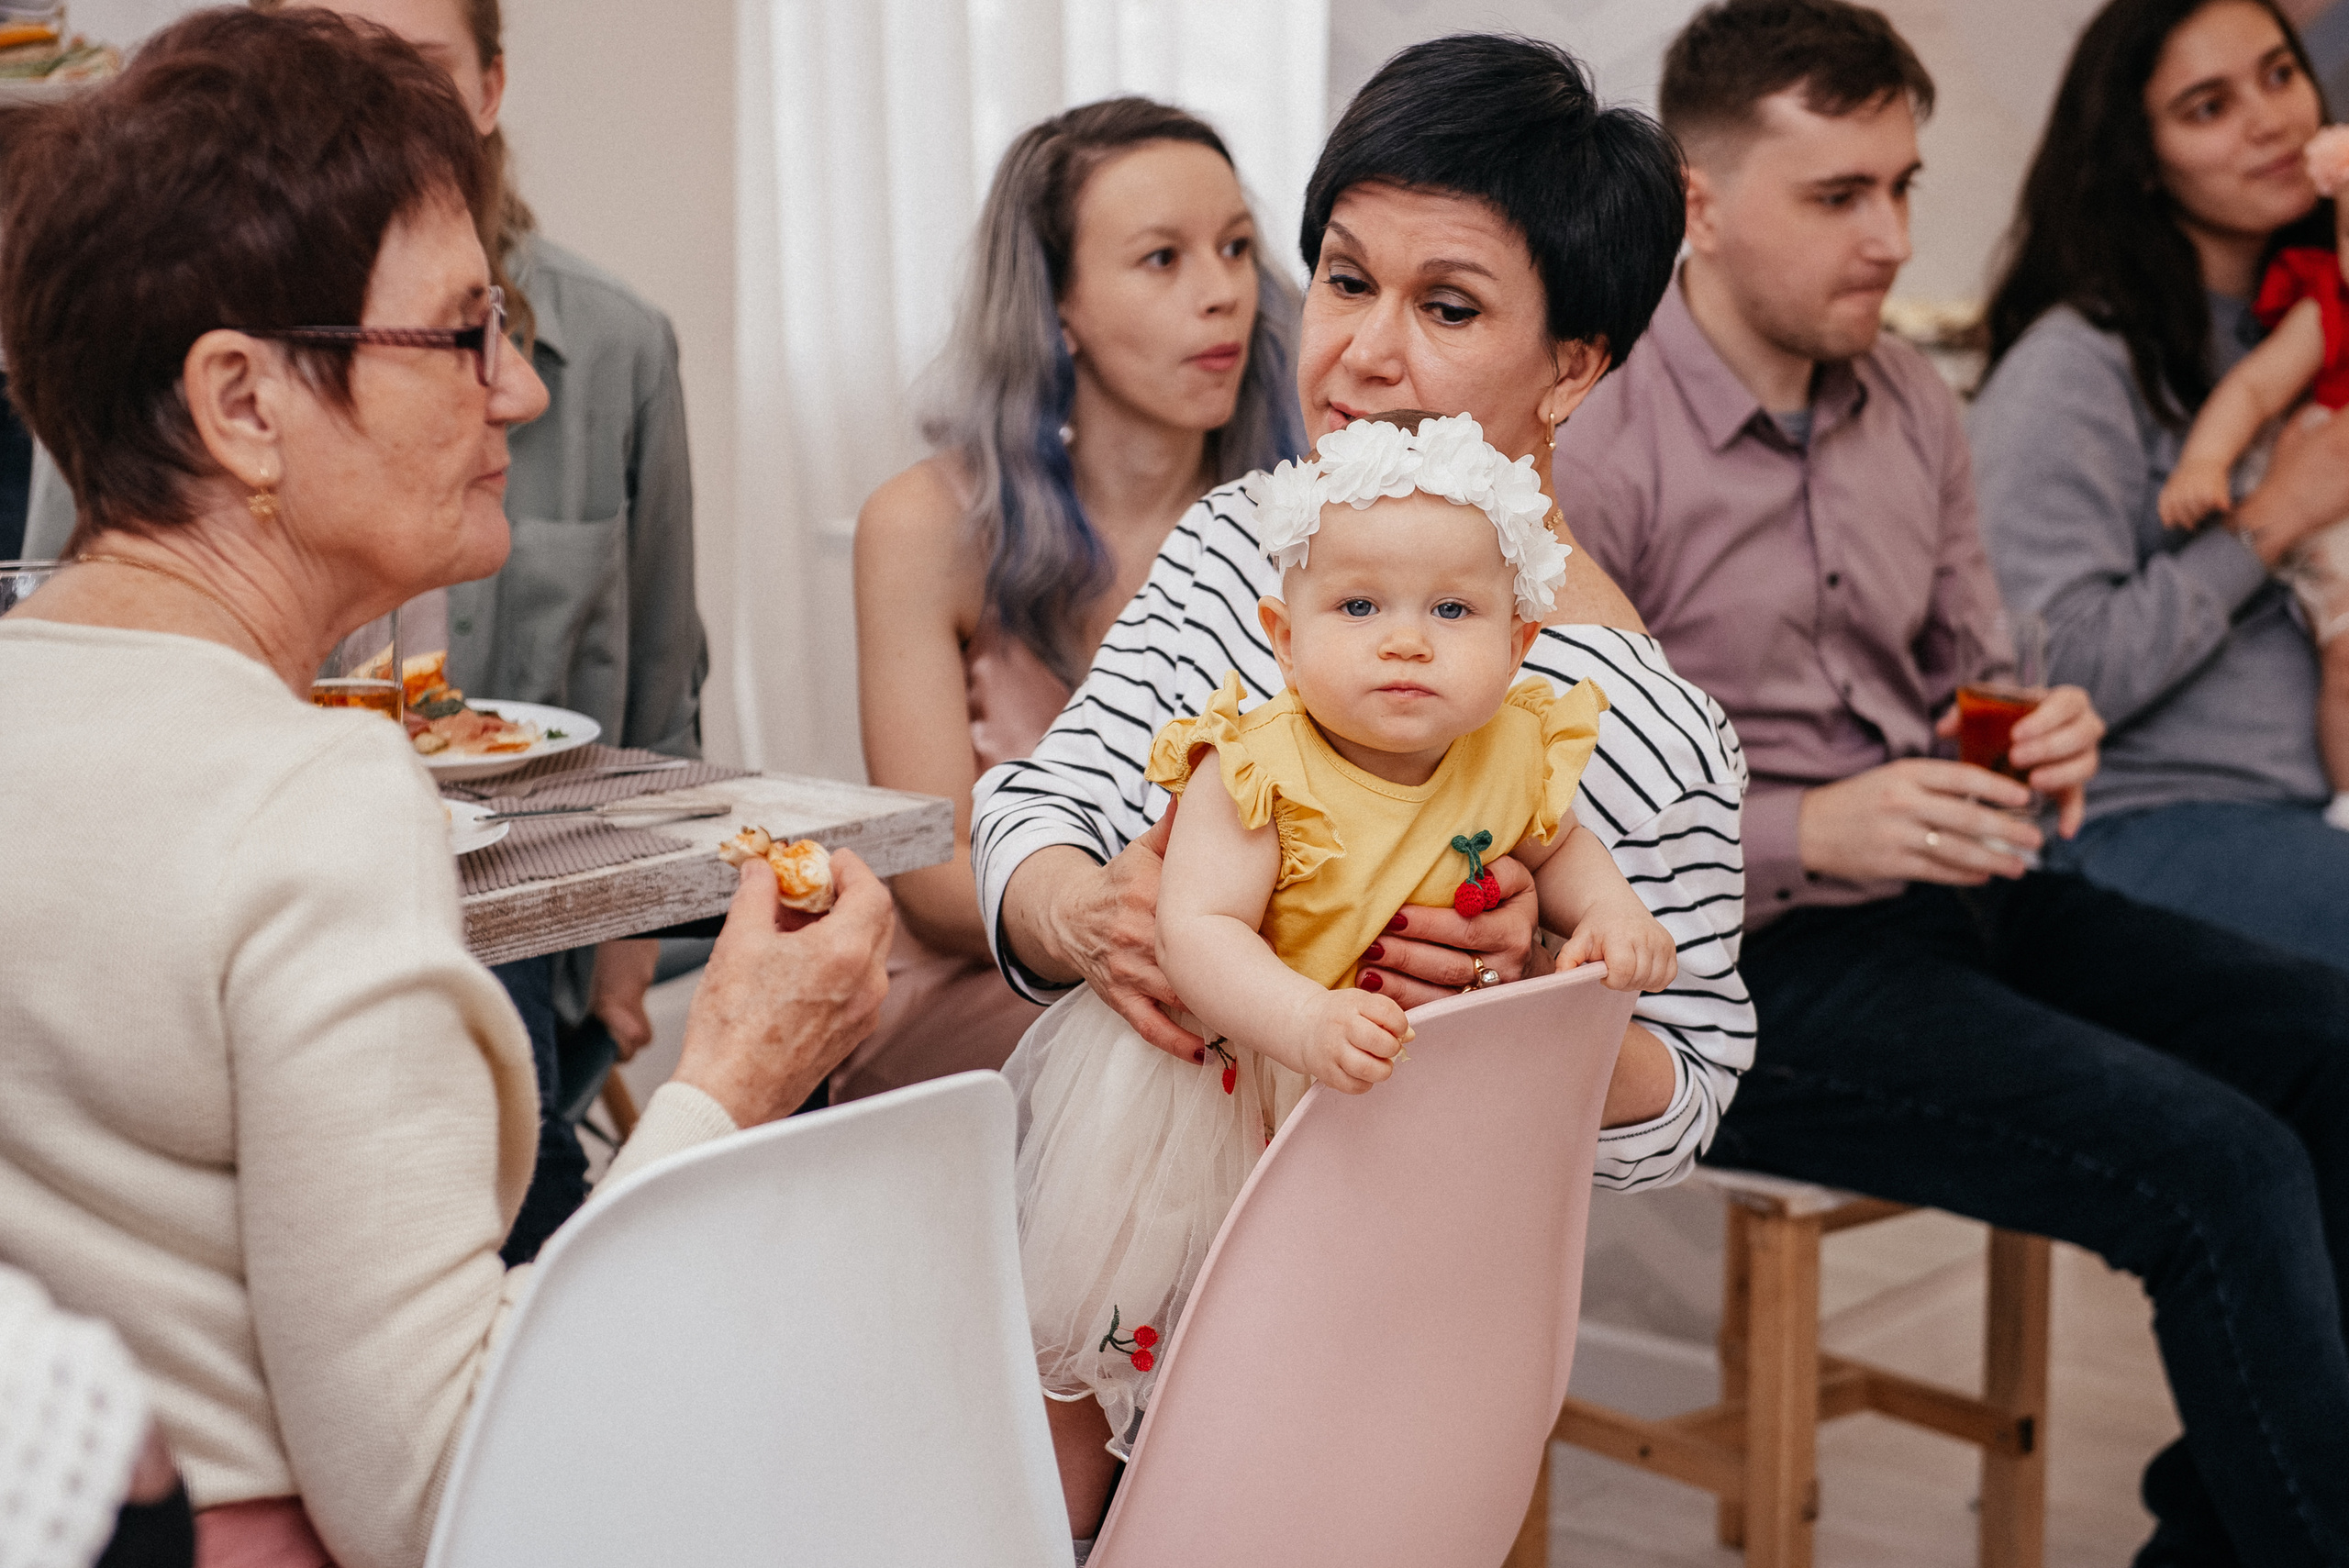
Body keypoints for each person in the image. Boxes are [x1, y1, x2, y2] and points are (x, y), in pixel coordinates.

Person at [0, 15, 892, 1568]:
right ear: (245, 404)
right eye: (461, 333)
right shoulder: (311, 801)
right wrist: (733, 1075)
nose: (519, 392)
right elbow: (441, 1485)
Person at [1558, 2, 2349, 1561]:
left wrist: (2033, 728)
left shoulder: (1912, 401)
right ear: (1699, 206)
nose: (1893, 236)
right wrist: (1804, 823)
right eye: (1840, 196)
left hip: (1960, 894)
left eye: (1904, 187)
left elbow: (1969, 676)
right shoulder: (1596, 437)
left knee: (2333, 1047)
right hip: (1738, 968)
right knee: (2221, 1164)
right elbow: (1555, 805)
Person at [968, 33, 1754, 1539]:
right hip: (1137, 1217)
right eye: (1343, 278)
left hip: (1402, 1299)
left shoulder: (1644, 726)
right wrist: (1095, 911)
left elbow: (1693, 1078)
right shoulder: (1235, 555)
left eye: (1446, 305)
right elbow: (1034, 811)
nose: (1361, 354)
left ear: (1575, 364)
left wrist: (1544, 995)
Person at [1012, 411, 1677, 1524]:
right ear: (1282, 632)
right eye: (1358, 606)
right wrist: (1303, 1019)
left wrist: (1611, 916)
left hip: (1375, 1099)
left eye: (1452, 611)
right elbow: (1200, 932)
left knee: (1303, 1355)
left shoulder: (1511, 744)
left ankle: (1276, 1514)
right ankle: (1061, 1528)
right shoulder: (1257, 763)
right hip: (1210, 1079)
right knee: (1108, 1324)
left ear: (1517, 644)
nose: (1405, 641)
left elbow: (1563, 846)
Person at [241, 0, 710, 1262]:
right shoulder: (186, 331)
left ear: (494, 88)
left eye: (410, 70)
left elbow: (663, 690)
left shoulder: (612, 345)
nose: (516, 392)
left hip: (515, 940)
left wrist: (624, 960)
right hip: (282, 914)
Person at [846, 96, 1303, 1105]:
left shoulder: (1303, 526)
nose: (1224, 293)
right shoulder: (923, 526)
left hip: (1229, 980)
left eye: (1236, 248)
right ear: (1058, 306)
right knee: (1177, 1061)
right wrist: (1099, 917)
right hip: (984, 986)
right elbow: (927, 880)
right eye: (1162, 259)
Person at [1972, 0, 2349, 976]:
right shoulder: (2076, 364)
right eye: (2207, 107)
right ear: (2139, 160)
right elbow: (2037, 674)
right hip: (2149, 819)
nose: (2271, 120)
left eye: (2278, 74)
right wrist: (2269, 523)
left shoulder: (2311, 319)